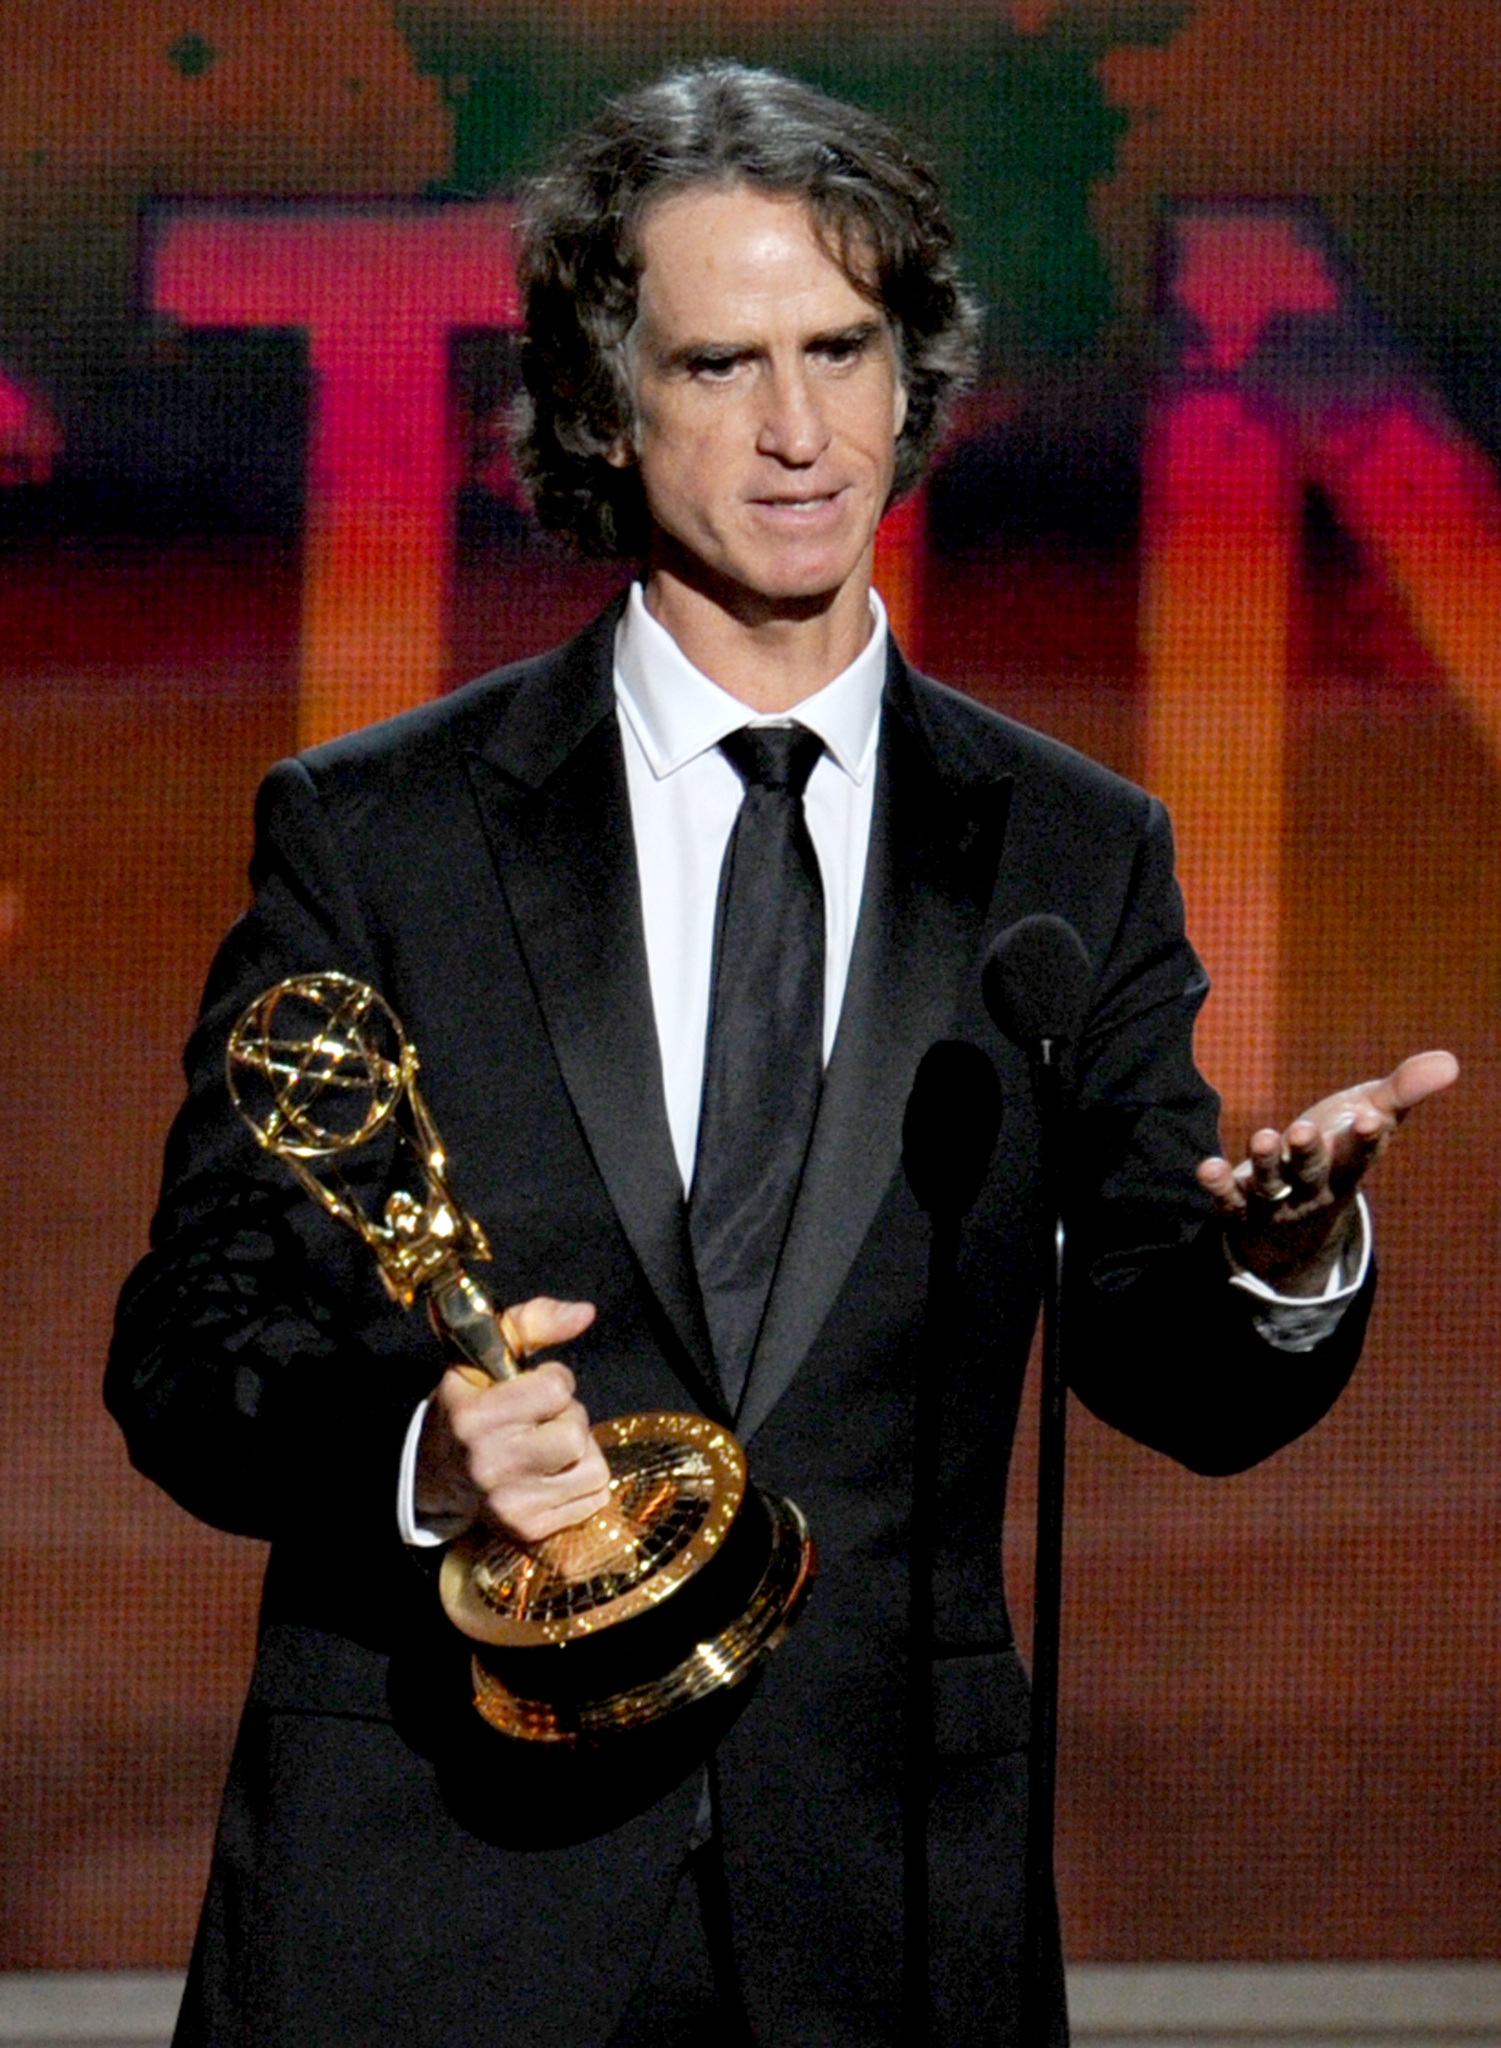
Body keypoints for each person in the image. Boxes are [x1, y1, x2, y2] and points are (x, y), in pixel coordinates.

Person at [107, 61, 1456, 2048]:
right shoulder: (379, 834)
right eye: (723, 363)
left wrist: (1271, 1256)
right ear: (594, 399)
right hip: (431, 1911)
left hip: (882, 1924)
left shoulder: (1072, 856)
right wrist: (417, 1452)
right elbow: (187, 1347)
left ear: (915, 372)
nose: (800, 429)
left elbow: (1180, 1378)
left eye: (842, 347)